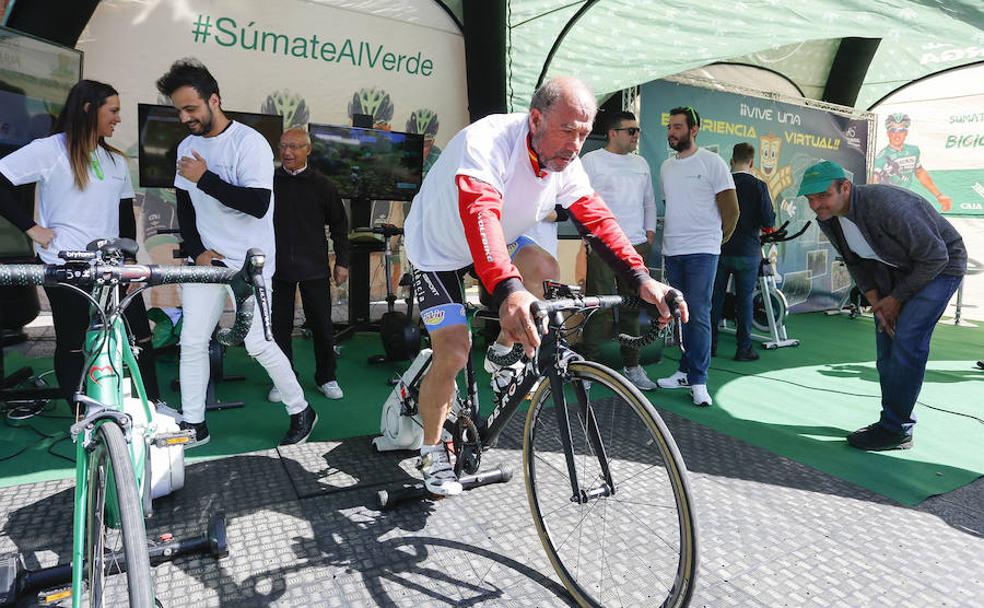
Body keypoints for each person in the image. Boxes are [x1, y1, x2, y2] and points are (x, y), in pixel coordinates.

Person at [402, 76, 687, 496]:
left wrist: (642, 278)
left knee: (544, 266)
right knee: (454, 352)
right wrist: (507, 291)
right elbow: (479, 215)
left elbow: (597, 219)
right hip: (438, 249)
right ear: (535, 118)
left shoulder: (565, 160)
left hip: (499, 234)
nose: (575, 144)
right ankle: (430, 450)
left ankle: (502, 354)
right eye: (567, 130)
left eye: (584, 133)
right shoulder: (487, 143)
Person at [155, 58, 317, 447]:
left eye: (191, 108)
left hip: (251, 261)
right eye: (179, 110)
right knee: (193, 341)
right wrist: (197, 251)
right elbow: (187, 205)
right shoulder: (187, 146)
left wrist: (205, 178)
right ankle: (195, 425)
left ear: (214, 99)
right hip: (208, 260)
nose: (184, 117)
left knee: (258, 342)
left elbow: (258, 203)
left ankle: (301, 410)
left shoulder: (250, 143)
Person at [0, 79, 162, 405]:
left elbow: (124, 215)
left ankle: (153, 407)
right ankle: (81, 422)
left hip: (112, 266)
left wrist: (129, 261)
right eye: (113, 110)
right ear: (89, 109)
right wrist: (32, 228)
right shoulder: (50, 149)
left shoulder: (115, 159)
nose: (118, 118)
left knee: (139, 337)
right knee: (73, 343)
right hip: (64, 265)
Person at [799, 160, 966, 450]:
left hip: (941, 267)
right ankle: (891, 421)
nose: (816, 205)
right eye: (810, 199)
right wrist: (878, 303)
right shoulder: (829, 217)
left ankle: (896, 428)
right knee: (886, 347)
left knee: (908, 340)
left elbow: (936, 257)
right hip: (895, 272)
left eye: (823, 196)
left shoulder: (889, 206)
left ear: (845, 188)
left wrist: (896, 299)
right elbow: (855, 262)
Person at [656, 107, 738, 407]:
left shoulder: (712, 162)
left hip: (703, 251)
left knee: (699, 314)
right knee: (680, 314)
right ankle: (684, 370)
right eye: (669, 127)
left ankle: (699, 380)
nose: (671, 132)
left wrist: (714, 240)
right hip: (673, 250)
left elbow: (732, 211)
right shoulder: (666, 167)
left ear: (694, 129)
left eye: (677, 126)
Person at [268, 127, 349, 403]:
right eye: (283, 146)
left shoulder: (323, 185)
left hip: (314, 265)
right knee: (279, 327)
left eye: (294, 146)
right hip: (277, 268)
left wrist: (342, 261)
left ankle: (327, 377)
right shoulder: (269, 181)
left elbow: (339, 225)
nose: (287, 152)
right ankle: (283, 379)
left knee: (323, 326)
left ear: (308, 150)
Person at [580, 110, 659, 389]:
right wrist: (589, 239)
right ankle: (587, 368)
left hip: (636, 245)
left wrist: (649, 234)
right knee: (598, 307)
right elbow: (578, 201)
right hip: (603, 245)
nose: (637, 135)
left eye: (637, 130)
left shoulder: (641, 163)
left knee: (632, 308)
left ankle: (633, 367)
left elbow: (649, 201)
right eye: (631, 130)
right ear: (613, 133)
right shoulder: (590, 161)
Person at [710, 142, 776, 361]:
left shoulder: (720, 184)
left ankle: (710, 346)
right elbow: (768, 220)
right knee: (744, 301)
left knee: (715, 299)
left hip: (720, 249)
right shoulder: (759, 186)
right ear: (752, 162)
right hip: (748, 251)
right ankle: (743, 348)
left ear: (731, 160)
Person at [872, 113, 952, 212]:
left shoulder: (913, 150)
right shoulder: (882, 157)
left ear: (906, 133)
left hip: (907, 200)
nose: (897, 135)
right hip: (889, 203)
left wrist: (939, 195)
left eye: (901, 130)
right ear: (888, 133)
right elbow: (874, 180)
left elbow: (920, 172)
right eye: (893, 130)